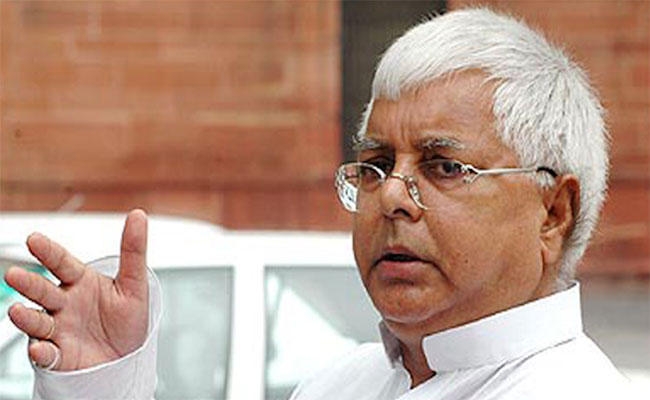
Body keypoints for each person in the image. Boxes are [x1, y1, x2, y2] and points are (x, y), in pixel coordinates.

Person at [3, 7, 637, 400]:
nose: (392, 195)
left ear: (553, 213)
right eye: (376, 164)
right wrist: (105, 383)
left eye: (444, 167)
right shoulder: (340, 384)